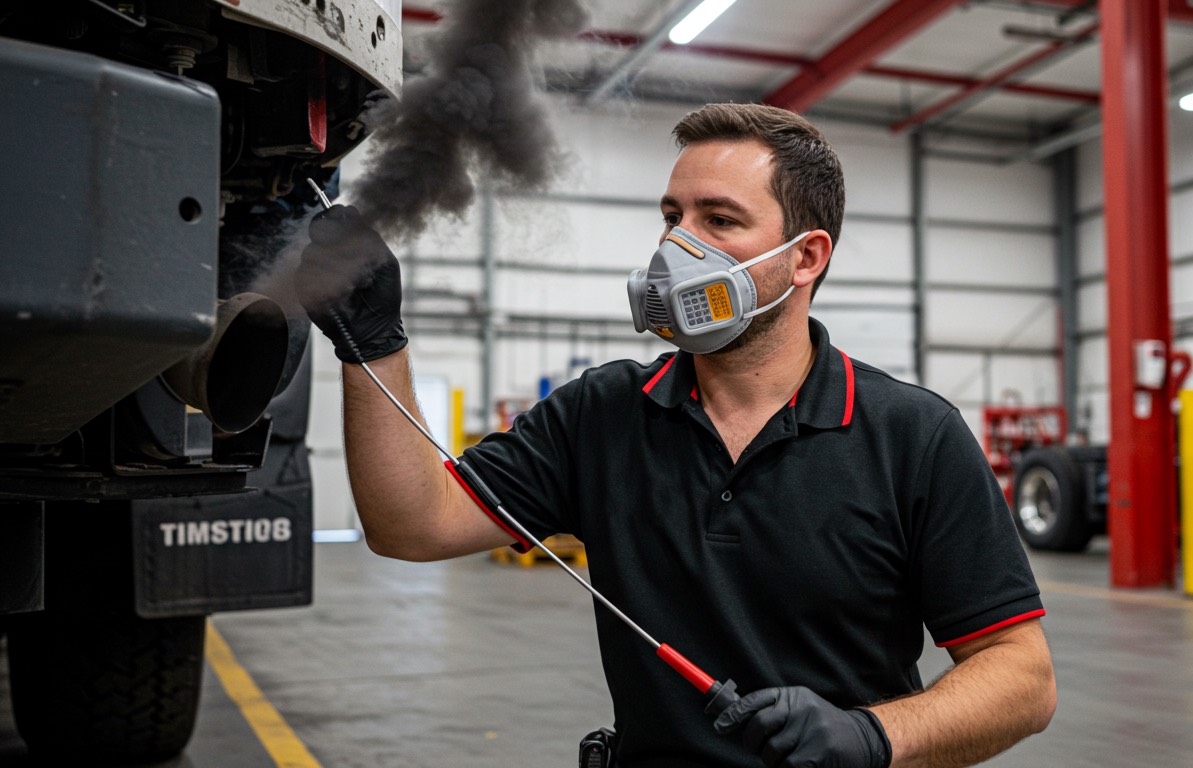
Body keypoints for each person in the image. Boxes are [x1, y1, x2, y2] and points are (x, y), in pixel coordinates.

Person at [298, 103, 1056, 768]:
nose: (676, 248)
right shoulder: (603, 415)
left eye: (718, 220)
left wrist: (871, 737)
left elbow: (1021, 676)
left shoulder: (912, 436)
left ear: (806, 257)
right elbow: (411, 524)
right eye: (672, 216)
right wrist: (375, 344)